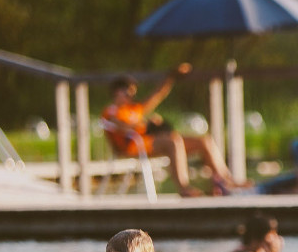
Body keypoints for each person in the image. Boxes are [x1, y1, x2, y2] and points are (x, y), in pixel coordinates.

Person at [102, 63, 238, 197]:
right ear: (117, 92)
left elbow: (157, 95)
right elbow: (120, 126)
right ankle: (184, 188)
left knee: (204, 141)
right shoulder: (111, 111)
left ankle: (225, 181)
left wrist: (171, 76)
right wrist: (147, 124)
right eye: (127, 93)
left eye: (132, 93)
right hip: (133, 146)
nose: (130, 96)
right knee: (173, 142)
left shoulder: (134, 109)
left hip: (149, 142)